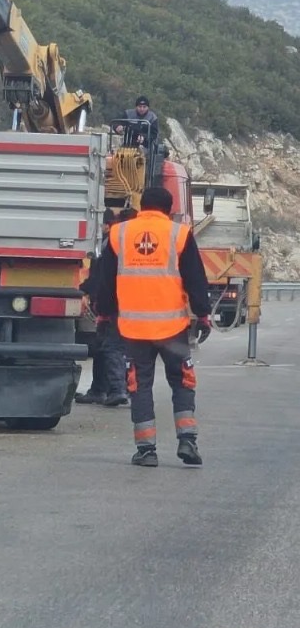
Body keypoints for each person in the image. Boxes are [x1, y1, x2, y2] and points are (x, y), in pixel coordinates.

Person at [89, 185, 212, 468]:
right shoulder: (179, 234)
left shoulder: (120, 233)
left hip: (134, 331)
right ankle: (187, 440)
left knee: (139, 386)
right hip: (173, 330)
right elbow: (195, 278)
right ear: (168, 209)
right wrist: (203, 314)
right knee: (183, 382)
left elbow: (106, 281)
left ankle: (146, 450)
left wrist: (104, 314)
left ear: (142, 205)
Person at [76, 208, 135, 406]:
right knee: (106, 347)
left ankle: (117, 389)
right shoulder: (132, 242)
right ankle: (101, 389)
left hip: (114, 303)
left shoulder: (112, 242)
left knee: (111, 346)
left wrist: (86, 292)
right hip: (131, 302)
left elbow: (103, 278)